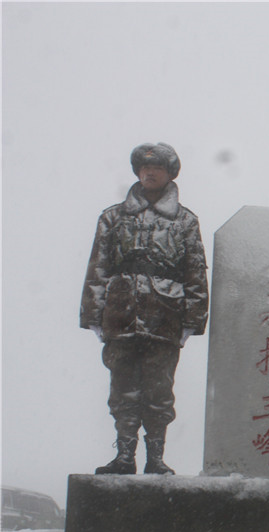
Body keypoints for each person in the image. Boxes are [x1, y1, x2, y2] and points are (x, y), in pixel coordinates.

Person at [80, 143, 209, 475]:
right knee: (122, 389)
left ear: (169, 175)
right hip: (120, 313)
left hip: (165, 317)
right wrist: (94, 315)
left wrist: (192, 321)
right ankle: (124, 455)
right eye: (143, 168)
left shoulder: (184, 221)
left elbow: (195, 272)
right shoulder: (113, 217)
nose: (149, 173)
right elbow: (98, 267)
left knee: (159, 391)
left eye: (157, 169)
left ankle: (156, 457)